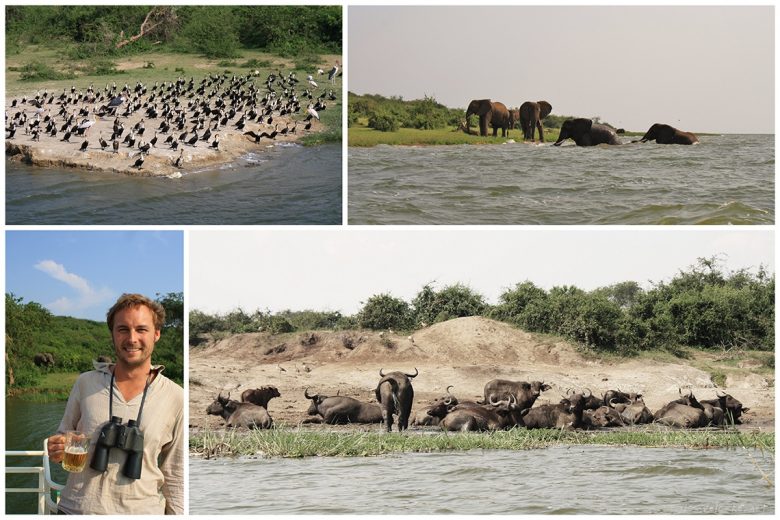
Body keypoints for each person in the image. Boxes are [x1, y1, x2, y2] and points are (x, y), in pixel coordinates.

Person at [47, 293, 184, 514]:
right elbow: (64, 434)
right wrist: (57, 448)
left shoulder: (176, 396)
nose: (131, 339)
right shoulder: (86, 382)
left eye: (141, 329)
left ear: (156, 334)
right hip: (77, 509)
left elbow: (176, 474)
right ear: (112, 333)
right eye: (122, 329)